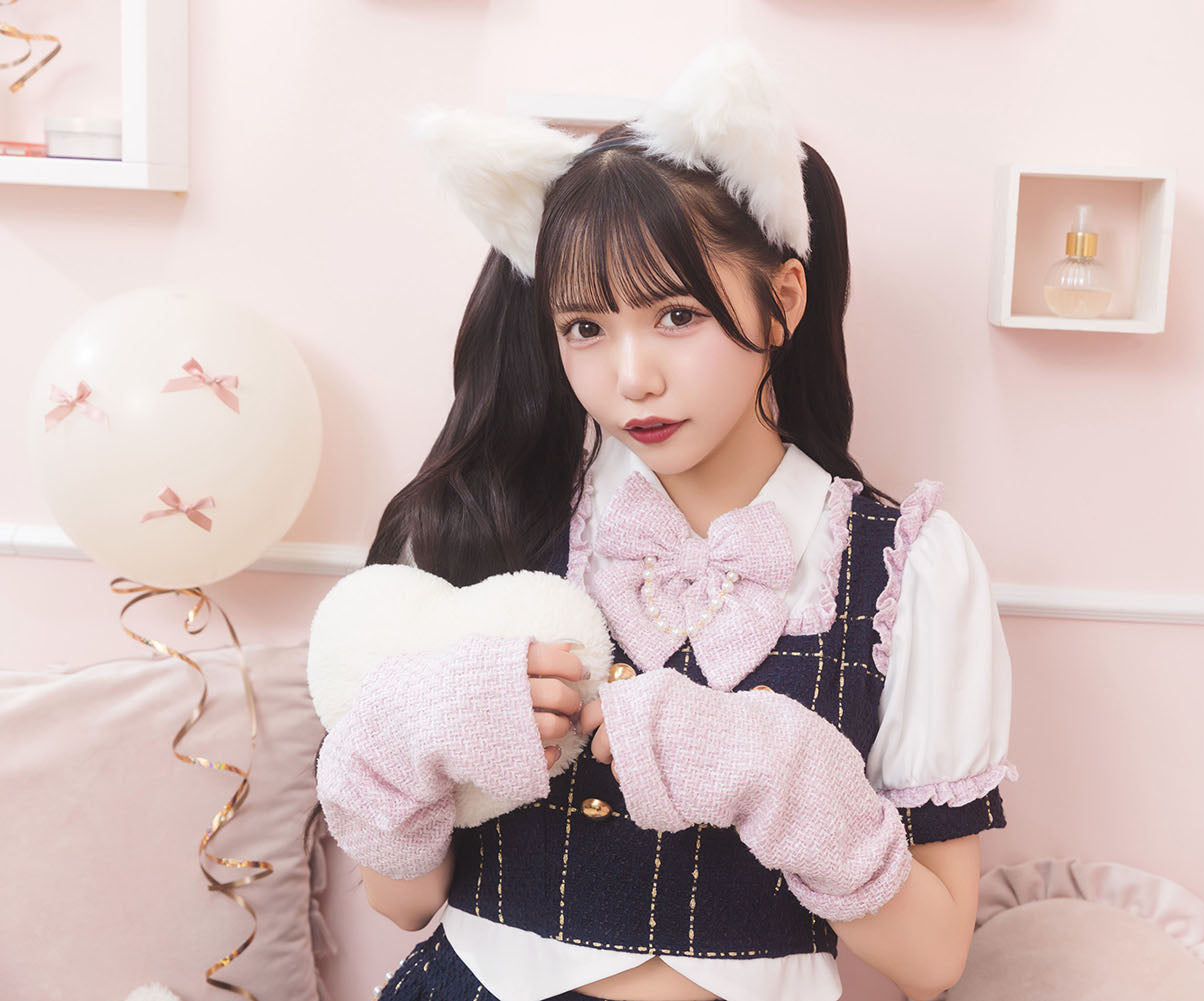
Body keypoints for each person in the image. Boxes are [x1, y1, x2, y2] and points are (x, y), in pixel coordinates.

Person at [313, 40, 1016, 1001]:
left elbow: (932, 961)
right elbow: (401, 903)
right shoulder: (495, 523)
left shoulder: (910, 569)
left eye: (676, 315)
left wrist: (785, 775)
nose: (631, 376)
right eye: (585, 328)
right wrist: (408, 736)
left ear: (782, 300)